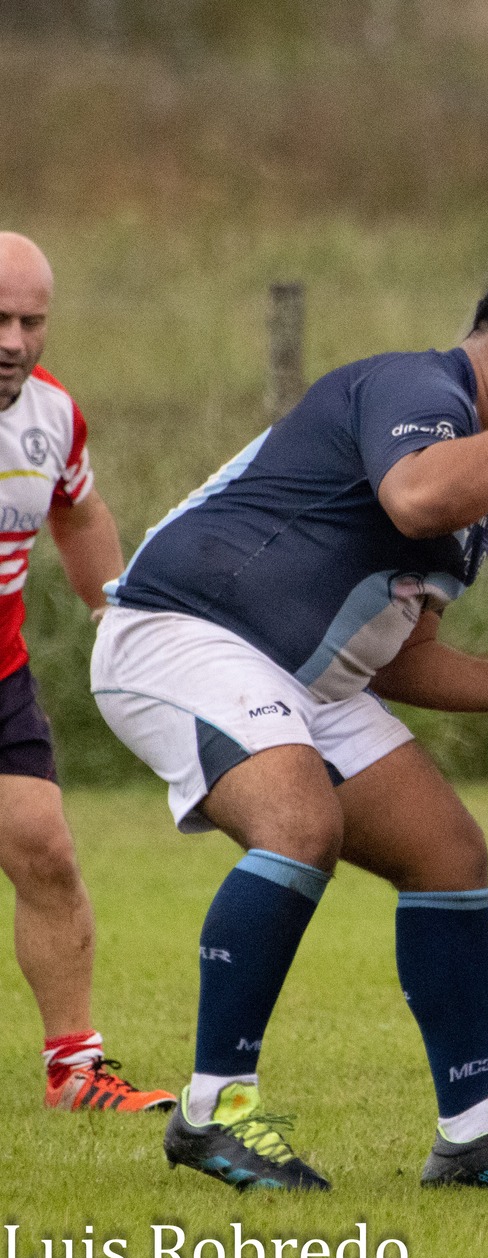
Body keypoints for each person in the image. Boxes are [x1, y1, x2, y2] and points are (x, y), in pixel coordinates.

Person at [90, 260, 488, 1192]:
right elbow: (414, 496)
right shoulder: (413, 387)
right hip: (180, 630)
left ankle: (474, 1135)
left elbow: (403, 660)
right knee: (299, 823)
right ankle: (214, 1108)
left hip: (306, 680)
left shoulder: (478, 500)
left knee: (449, 853)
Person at [0, 232, 175, 1113]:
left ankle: (75, 1074)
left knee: (48, 853)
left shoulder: (54, 415)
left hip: (2, 677)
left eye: (31, 321)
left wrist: (115, 615)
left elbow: (76, 510)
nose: (13, 341)